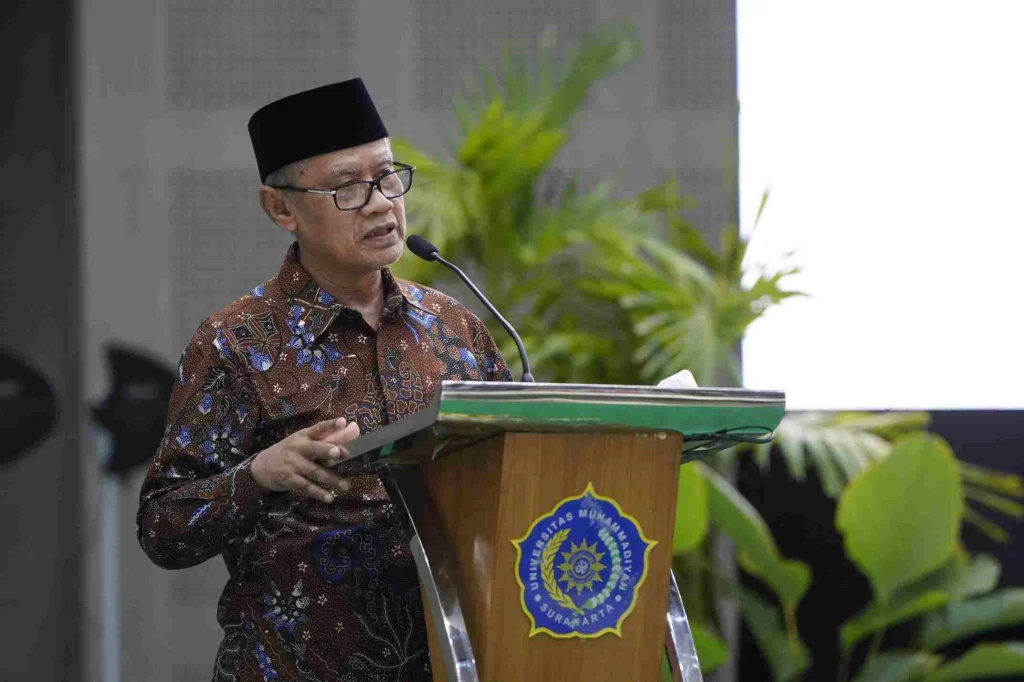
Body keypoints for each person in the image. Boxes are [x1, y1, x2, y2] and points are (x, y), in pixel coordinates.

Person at [137, 78, 511, 682]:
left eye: (387, 176)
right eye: (346, 188)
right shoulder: (237, 344)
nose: (381, 203)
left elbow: (514, 476)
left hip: (450, 665)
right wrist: (259, 475)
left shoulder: (455, 328)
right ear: (280, 209)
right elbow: (162, 529)